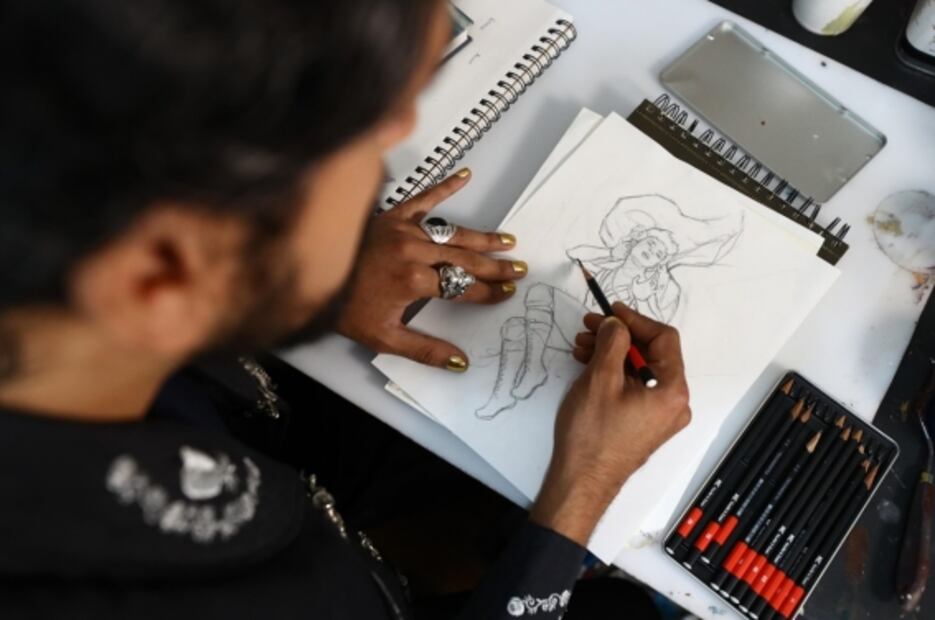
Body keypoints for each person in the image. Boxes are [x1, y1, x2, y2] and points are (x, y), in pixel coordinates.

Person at [0, 1, 691, 619]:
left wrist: (286, 276)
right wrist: (582, 490)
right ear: (165, 272)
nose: (391, 157)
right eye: (363, 150)